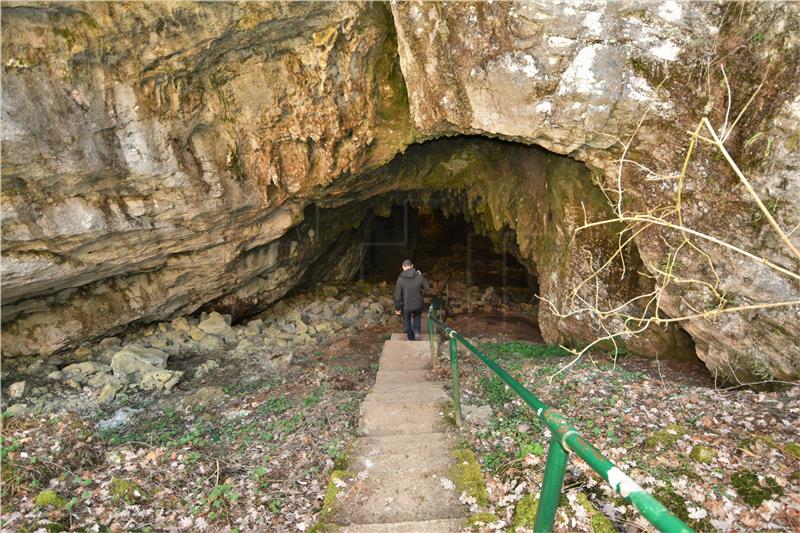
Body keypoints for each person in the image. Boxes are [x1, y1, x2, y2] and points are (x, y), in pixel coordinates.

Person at [394, 259, 430, 340]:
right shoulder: (418, 276)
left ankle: (411, 337)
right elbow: (427, 287)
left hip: (406, 306)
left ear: (403, 267)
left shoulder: (400, 279)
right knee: (417, 316)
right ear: (412, 266)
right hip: (418, 304)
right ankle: (417, 331)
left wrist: (397, 308)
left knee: (407, 320)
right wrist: (421, 276)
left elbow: (397, 295)